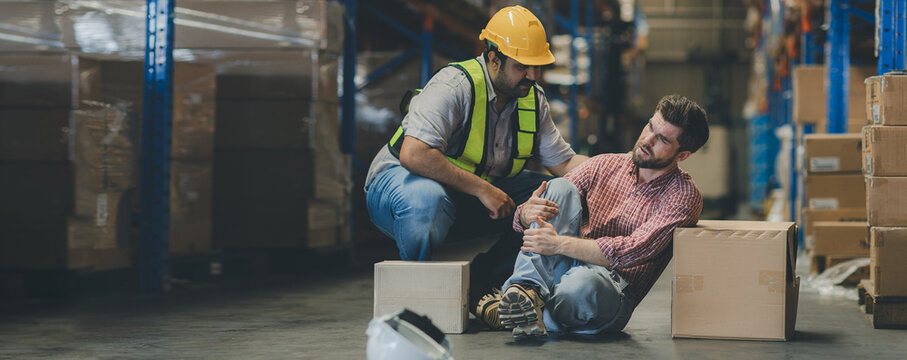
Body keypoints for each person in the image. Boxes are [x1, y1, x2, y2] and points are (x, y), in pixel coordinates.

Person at [363, 6, 587, 302]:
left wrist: (621, 170)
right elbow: (414, 154)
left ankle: (483, 284)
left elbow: (565, 163)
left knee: (557, 194)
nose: (533, 75)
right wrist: (484, 190)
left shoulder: (532, 99)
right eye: (523, 66)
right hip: (398, 188)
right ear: (494, 58)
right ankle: (419, 292)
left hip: (465, 193)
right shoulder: (454, 86)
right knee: (426, 199)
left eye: (538, 66)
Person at [477, 94, 709, 340]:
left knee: (579, 286)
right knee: (559, 187)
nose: (647, 140)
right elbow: (544, 204)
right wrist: (525, 214)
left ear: (682, 155)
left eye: (662, 139)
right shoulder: (606, 164)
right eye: (650, 126)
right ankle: (527, 290)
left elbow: (630, 252)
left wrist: (557, 243)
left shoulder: (683, 196)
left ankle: (519, 310)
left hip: (610, 289)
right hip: (565, 266)